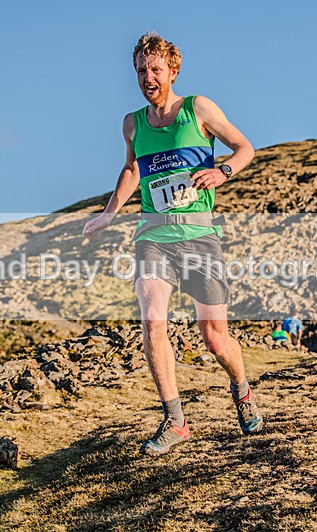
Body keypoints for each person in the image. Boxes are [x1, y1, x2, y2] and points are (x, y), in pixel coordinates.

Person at [82, 32, 263, 456]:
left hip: (200, 236)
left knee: (215, 336)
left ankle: (242, 389)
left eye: (156, 70)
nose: (148, 77)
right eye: (142, 70)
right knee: (151, 315)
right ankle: (175, 420)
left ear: (173, 71)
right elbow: (131, 170)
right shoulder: (133, 123)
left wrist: (223, 172)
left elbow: (244, 147)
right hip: (154, 235)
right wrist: (110, 211)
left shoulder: (198, 109)